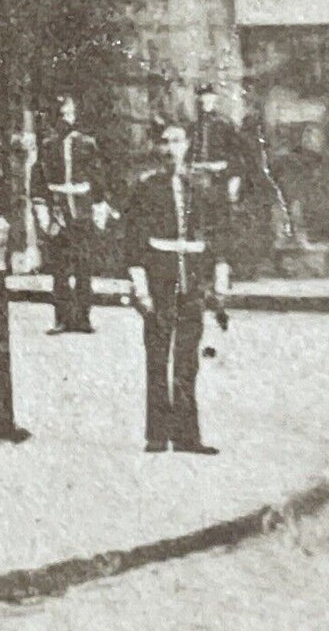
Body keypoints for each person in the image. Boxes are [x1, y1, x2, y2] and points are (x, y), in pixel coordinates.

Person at [123, 119, 232, 455]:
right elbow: (134, 241)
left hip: (192, 283)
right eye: (165, 142)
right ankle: (157, 435)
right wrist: (140, 287)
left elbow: (217, 235)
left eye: (177, 141)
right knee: (158, 357)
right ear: (159, 148)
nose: (171, 149)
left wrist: (221, 275)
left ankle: (186, 436)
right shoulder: (145, 188)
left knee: (187, 361)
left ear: (187, 146)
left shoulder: (202, 187)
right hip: (159, 281)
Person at [32, 93, 107, 334]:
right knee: (60, 269)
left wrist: (98, 206)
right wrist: (42, 209)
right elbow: (39, 181)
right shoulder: (47, 146)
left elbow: (97, 178)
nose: (66, 120)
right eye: (61, 115)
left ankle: (84, 317)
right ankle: (62, 318)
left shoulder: (87, 144)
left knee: (84, 267)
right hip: (58, 213)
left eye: (70, 115)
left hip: (82, 212)